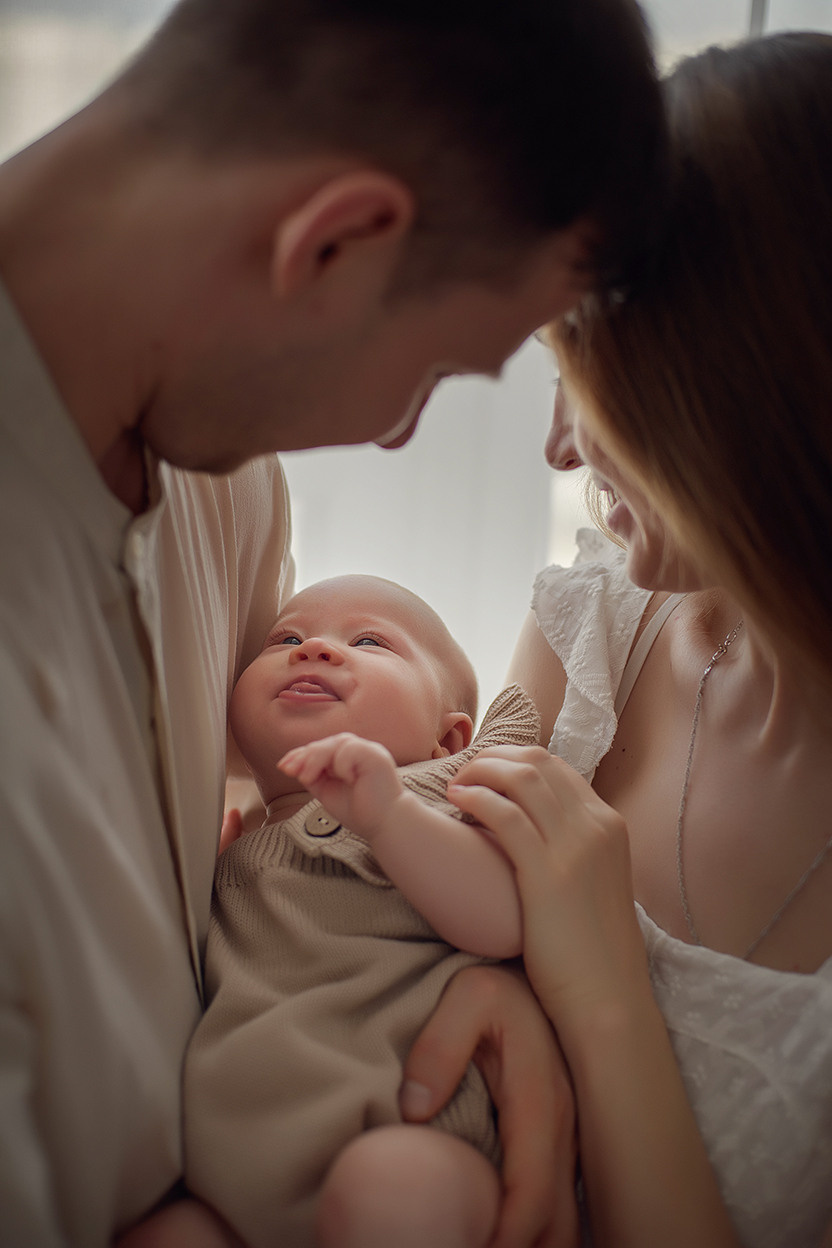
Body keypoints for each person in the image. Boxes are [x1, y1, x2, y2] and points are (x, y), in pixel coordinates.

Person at [0, 2, 666, 1241]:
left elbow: (293, 838)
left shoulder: (223, 486)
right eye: (437, 369)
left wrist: (479, 989)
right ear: (335, 243)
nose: (396, 431)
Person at [443, 31, 832, 1248]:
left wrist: (599, 985)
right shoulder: (590, 625)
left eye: (595, 395)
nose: (562, 449)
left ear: (743, 410)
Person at [179, 573, 572, 1248]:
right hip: (230, 1182)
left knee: (390, 1196)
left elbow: (506, 919)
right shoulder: (236, 836)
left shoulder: (436, 798)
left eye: (368, 641)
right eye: (288, 638)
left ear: (448, 740)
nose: (316, 651)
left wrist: (391, 817)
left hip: (406, 1135)